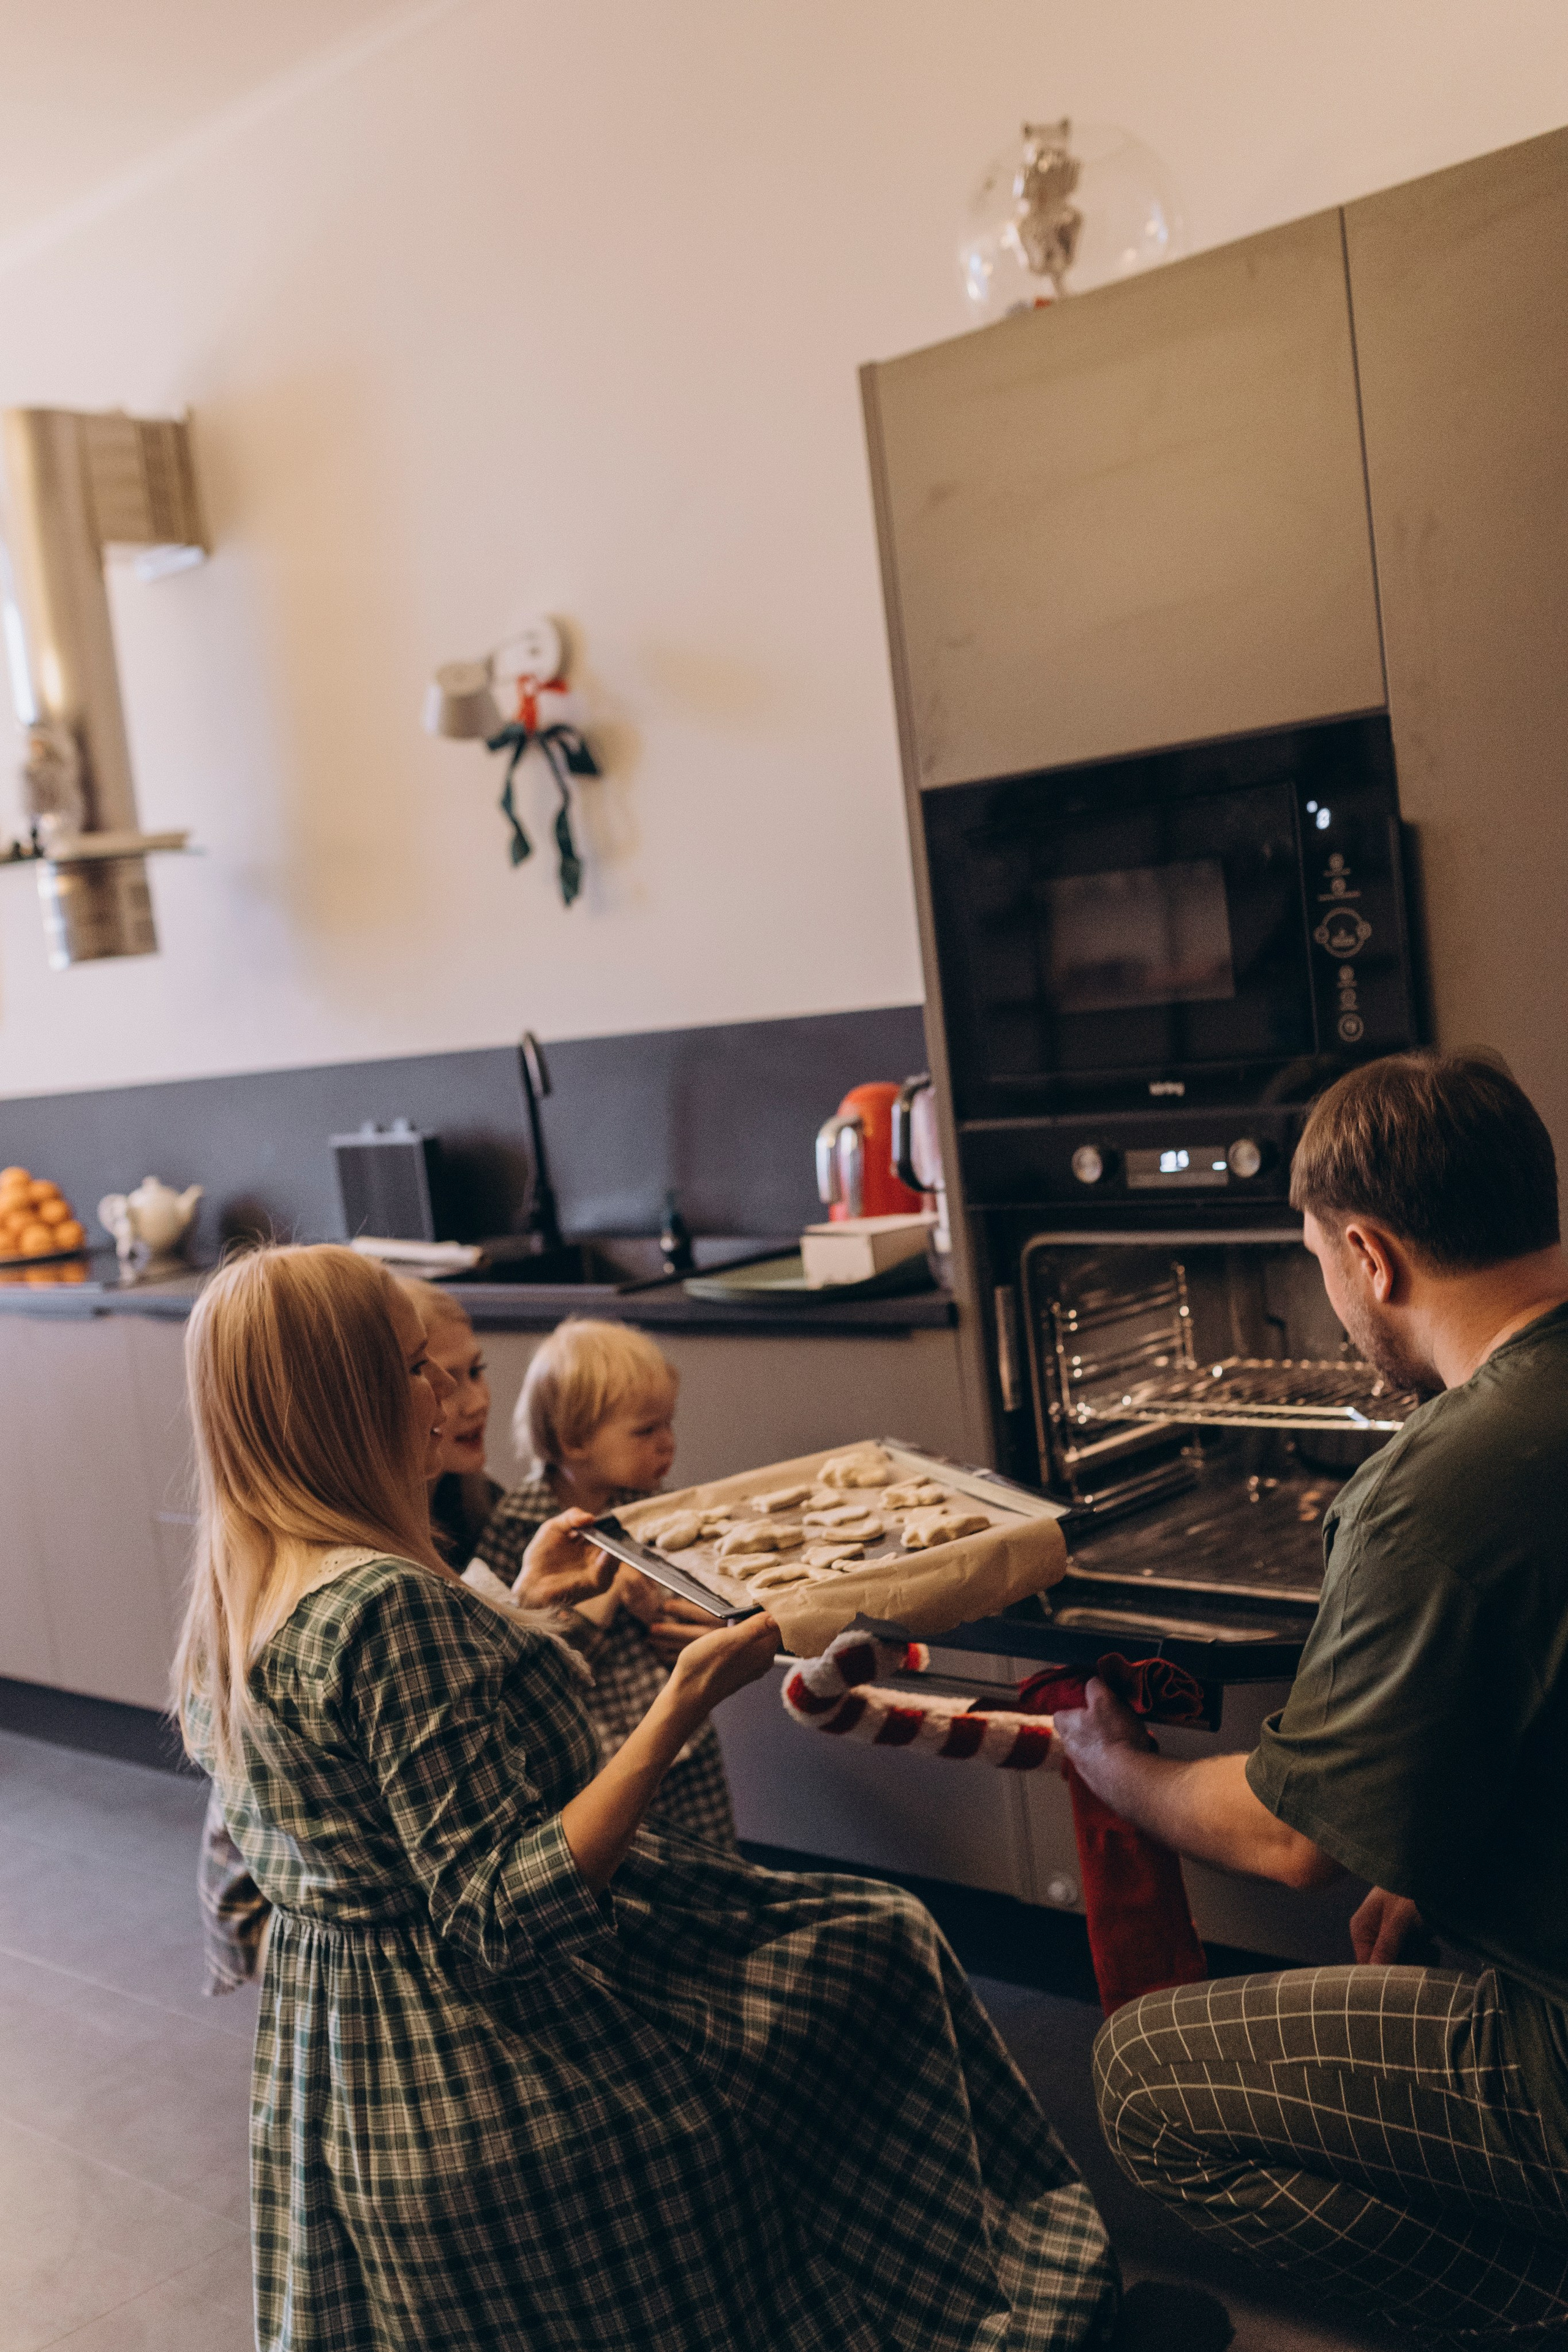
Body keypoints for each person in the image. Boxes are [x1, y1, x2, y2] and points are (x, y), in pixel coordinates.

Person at [176, 1243, 1118, 2351]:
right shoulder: (390, 1608)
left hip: (350, 2061)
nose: (444, 1393)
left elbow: (388, 1787)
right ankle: (962, 2306)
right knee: (879, 1944)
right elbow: (500, 1913)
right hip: (485, 2055)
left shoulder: (240, 1595)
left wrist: (527, 1615)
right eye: (415, 1369)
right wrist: (681, 1700)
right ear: (354, 1402)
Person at [1052, 1051, 1568, 2343]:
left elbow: (1290, 1845)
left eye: (1318, 1266)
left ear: (1367, 1255)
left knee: (1143, 2084)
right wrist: (1431, 1849)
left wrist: (1112, 1765)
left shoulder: (1432, 1489)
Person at [470, 1315, 737, 1850]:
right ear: (573, 1441)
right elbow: (523, 1657)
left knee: (716, 1861)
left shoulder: (647, 1508)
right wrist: (607, 1600)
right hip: (600, 1764)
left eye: (668, 1424)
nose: (668, 1445)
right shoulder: (519, 1529)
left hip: (681, 1737)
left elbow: (693, 1616)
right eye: (646, 1430)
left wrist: (666, 1614)